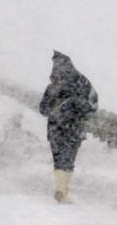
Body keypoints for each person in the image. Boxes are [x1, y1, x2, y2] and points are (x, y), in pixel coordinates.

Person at [39, 51, 98, 203]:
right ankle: (64, 192)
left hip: (55, 127)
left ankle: (60, 189)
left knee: (58, 159)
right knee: (69, 159)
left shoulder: (52, 87)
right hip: (74, 128)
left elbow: (43, 109)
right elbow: (92, 105)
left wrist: (55, 107)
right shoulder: (83, 83)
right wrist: (75, 106)